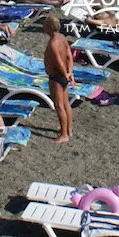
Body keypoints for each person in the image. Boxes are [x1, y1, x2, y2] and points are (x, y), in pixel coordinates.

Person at [42, 14, 74, 143]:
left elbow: (59, 61)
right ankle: (69, 130)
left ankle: (64, 134)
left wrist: (65, 74)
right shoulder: (62, 38)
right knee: (66, 104)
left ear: (49, 27)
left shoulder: (53, 43)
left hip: (56, 76)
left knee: (59, 106)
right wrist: (70, 72)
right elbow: (69, 56)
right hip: (64, 74)